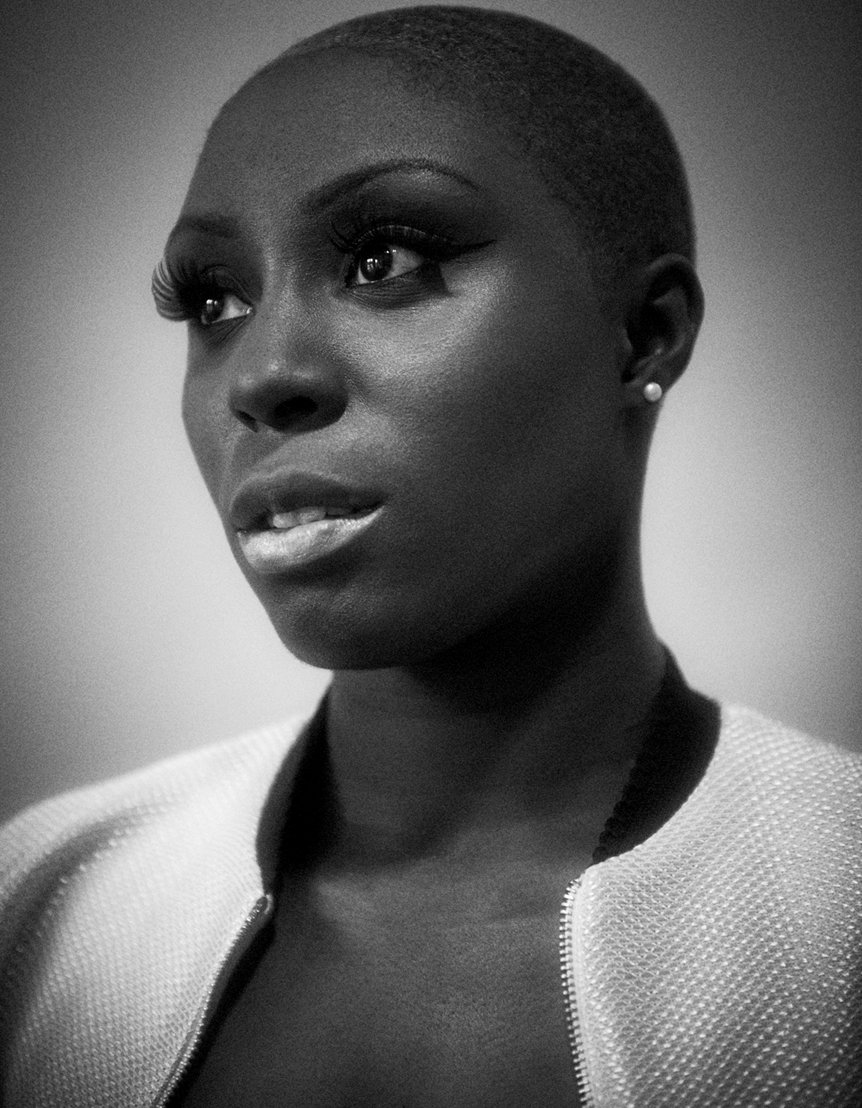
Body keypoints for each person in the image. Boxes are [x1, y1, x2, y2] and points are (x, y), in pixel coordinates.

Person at [1, 6, 859, 1106]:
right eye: (215, 301)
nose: (260, 375)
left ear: (643, 333)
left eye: (385, 260)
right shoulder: (48, 900)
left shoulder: (837, 917)